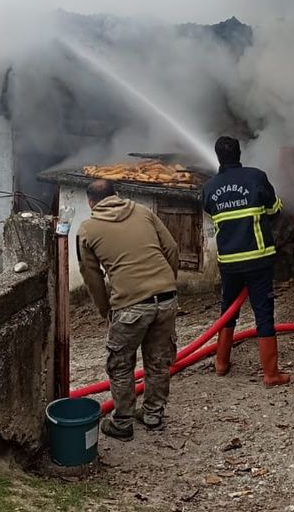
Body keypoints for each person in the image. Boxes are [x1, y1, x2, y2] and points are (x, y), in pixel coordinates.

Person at [78, 180, 180, 442]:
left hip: (129, 306)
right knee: (158, 361)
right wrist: (167, 283)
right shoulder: (143, 211)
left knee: (120, 364)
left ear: (91, 203)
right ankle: (153, 414)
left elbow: (91, 276)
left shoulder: (88, 229)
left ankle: (122, 422)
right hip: (167, 299)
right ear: (117, 195)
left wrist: (106, 311)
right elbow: (172, 249)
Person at [202, 136, 290, 387]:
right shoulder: (256, 177)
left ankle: (221, 364)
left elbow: (213, 214)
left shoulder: (209, 187)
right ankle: (271, 375)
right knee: (263, 313)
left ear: (218, 157)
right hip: (258, 259)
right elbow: (274, 210)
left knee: (228, 310)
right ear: (240, 153)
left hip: (229, 261)